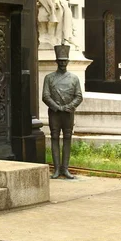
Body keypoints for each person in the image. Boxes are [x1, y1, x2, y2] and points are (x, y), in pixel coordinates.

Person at [42, 44, 83, 179]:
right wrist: (57, 107)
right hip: (55, 113)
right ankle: (56, 169)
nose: (63, 63)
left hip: (68, 113)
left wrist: (68, 106)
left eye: (65, 61)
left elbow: (79, 96)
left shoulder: (74, 78)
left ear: (68, 61)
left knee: (67, 138)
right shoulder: (49, 78)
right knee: (54, 138)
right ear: (56, 62)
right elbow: (45, 96)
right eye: (60, 61)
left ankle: (65, 169)